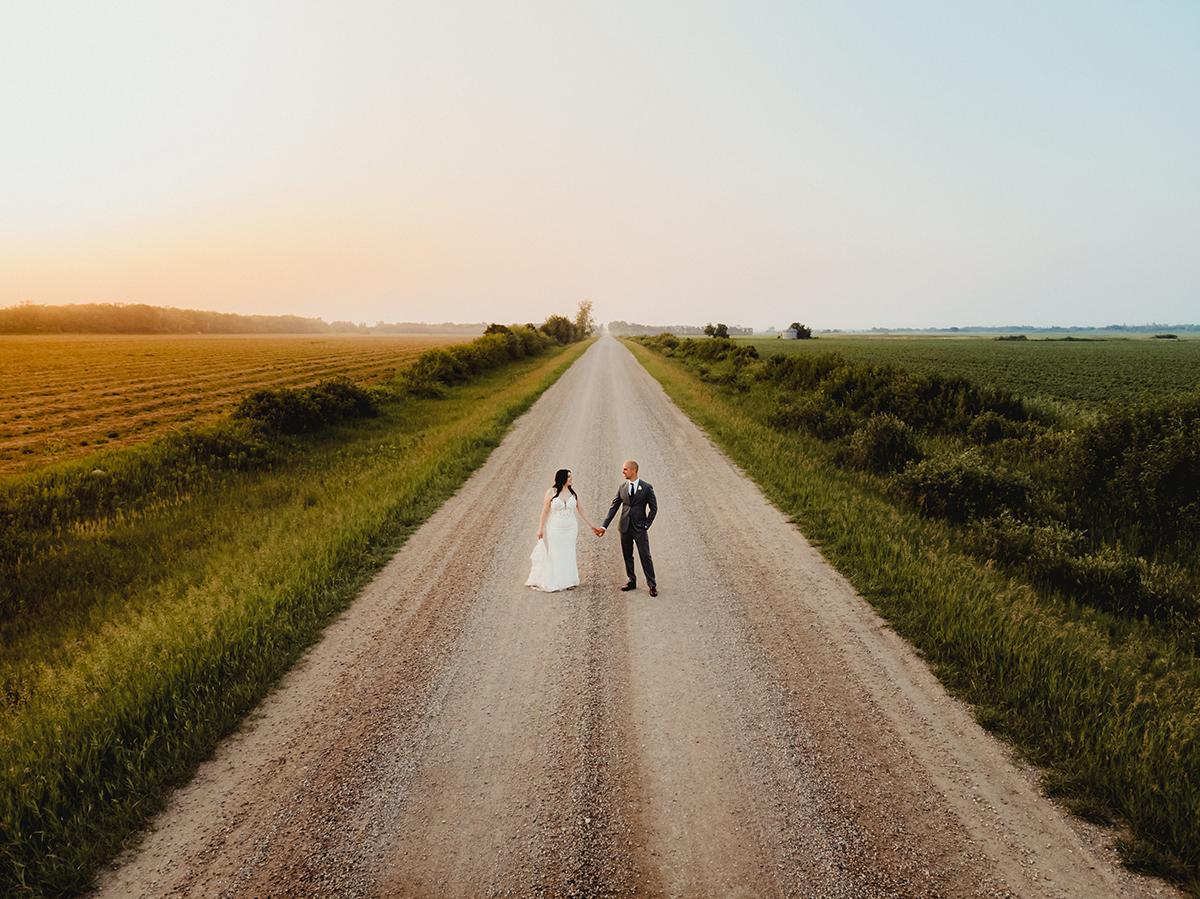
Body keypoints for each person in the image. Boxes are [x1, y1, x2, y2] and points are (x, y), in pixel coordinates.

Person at [525, 469, 603, 592]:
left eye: (571, 477)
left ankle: (569, 580)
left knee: (569, 551)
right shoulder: (551, 492)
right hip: (555, 527)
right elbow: (545, 511)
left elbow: (581, 510)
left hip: (571, 527)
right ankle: (556, 579)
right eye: (569, 477)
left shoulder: (573, 493)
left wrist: (592, 526)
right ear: (562, 478)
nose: (571, 479)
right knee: (556, 552)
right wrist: (540, 529)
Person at [597, 459, 658, 596]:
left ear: (633, 470)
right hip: (624, 527)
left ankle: (652, 584)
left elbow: (654, 508)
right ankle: (631, 580)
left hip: (640, 528)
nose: (623, 472)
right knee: (627, 555)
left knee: (645, 555)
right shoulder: (622, 487)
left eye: (625, 469)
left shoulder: (647, 488)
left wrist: (646, 524)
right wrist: (604, 526)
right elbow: (614, 508)